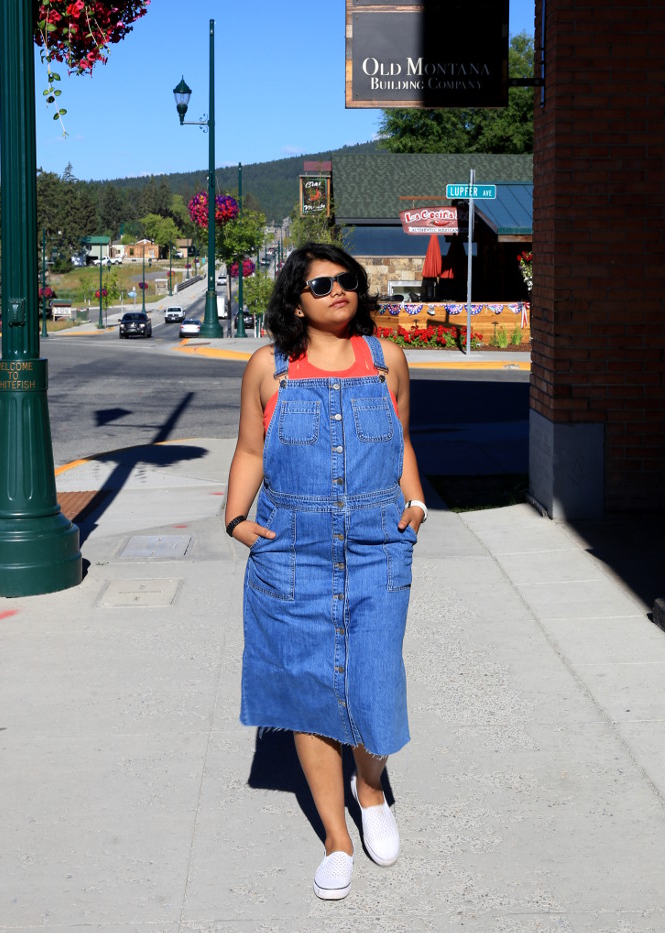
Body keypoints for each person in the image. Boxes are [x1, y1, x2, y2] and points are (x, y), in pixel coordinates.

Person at [224, 242, 427, 900]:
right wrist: (234, 517)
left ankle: (371, 792)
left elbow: (400, 439)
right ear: (296, 299)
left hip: (377, 545)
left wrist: (416, 502)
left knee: (374, 682)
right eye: (321, 283)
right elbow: (251, 448)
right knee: (310, 691)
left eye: (347, 280)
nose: (338, 290)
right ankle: (336, 838)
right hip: (291, 550)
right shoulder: (269, 368)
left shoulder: (385, 359)